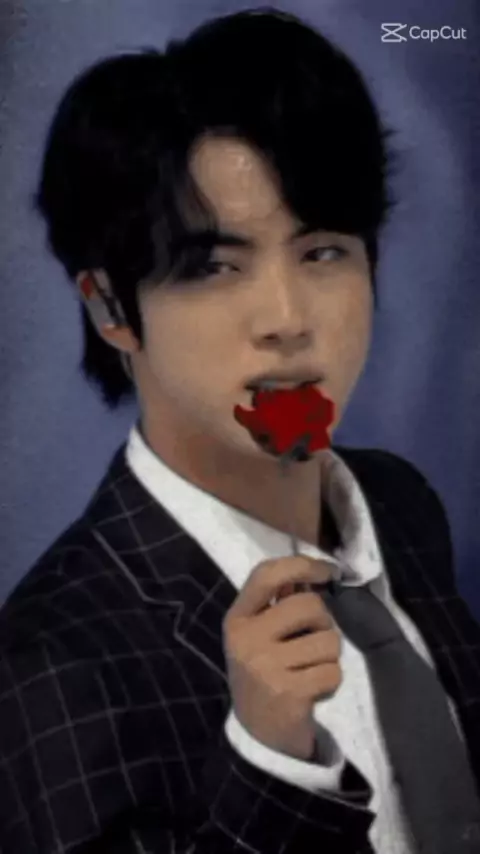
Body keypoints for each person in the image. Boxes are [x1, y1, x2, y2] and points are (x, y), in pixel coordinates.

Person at [1, 7, 479, 854]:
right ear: (110, 308)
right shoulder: (51, 663)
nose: (288, 319)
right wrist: (270, 764)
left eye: (323, 252)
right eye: (215, 267)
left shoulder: (400, 503)